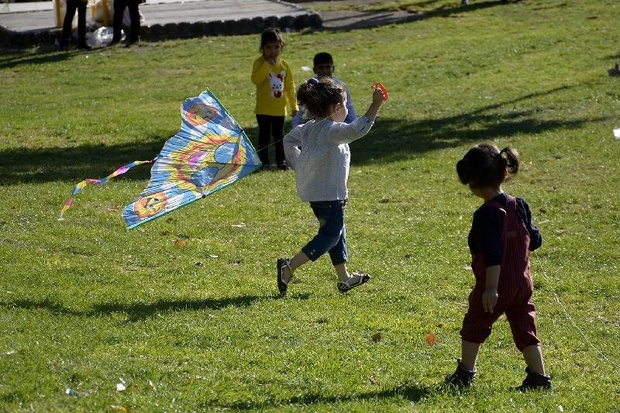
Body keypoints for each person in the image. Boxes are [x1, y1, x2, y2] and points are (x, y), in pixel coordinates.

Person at [445, 143, 551, 391]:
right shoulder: (520, 204)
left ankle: (465, 373)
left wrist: (491, 289)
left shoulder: (485, 215)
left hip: (496, 283)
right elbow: (535, 240)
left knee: (475, 324)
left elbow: (492, 255)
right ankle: (539, 377)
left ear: (473, 183)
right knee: (525, 328)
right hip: (523, 283)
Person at [277, 78, 386, 295]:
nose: (346, 109)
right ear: (336, 108)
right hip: (327, 196)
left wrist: (300, 164)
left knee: (337, 233)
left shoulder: (308, 128)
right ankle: (288, 266)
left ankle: (344, 278)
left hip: (322, 194)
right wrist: (375, 105)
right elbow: (357, 130)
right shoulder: (332, 131)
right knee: (330, 236)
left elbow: (287, 141)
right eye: (345, 105)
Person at [251, 28, 299, 170]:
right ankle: (264, 161)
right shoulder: (259, 63)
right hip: (263, 109)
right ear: (262, 48)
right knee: (264, 136)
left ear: (281, 47)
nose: (272, 51)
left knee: (279, 137)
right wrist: (267, 66)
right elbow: (256, 80)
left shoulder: (284, 65)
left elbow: (290, 87)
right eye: (268, 47)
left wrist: (294, 106)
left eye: (276, 47)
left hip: (279, 109)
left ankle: (281, 161)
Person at [292, 52, 357, 128]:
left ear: (333, 68)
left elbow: (349, 107)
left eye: (328, 67)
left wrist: (351, 126)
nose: (325, 71)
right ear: (314, 70)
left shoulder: (340, 85)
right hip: (313, 125)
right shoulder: (310, 86)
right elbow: (299, 110)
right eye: (321, 68)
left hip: (335, 125)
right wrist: (296, 127)